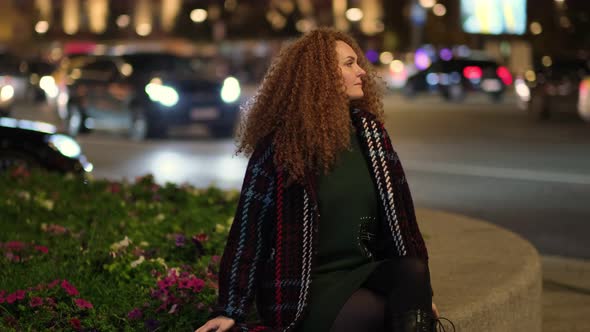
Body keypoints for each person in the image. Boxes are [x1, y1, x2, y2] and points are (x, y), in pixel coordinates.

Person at [197, 28, 450, 332]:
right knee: (377, 315)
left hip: (363, 272)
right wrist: (230, 309)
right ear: (320, 75)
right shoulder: (280, 148)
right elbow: (248, 234)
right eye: (348, 64)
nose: (361, 72)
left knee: (412, 271)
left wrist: (418, 295)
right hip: (306, 288)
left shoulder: (371, 135)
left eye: (357, 63)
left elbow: (403, 223)